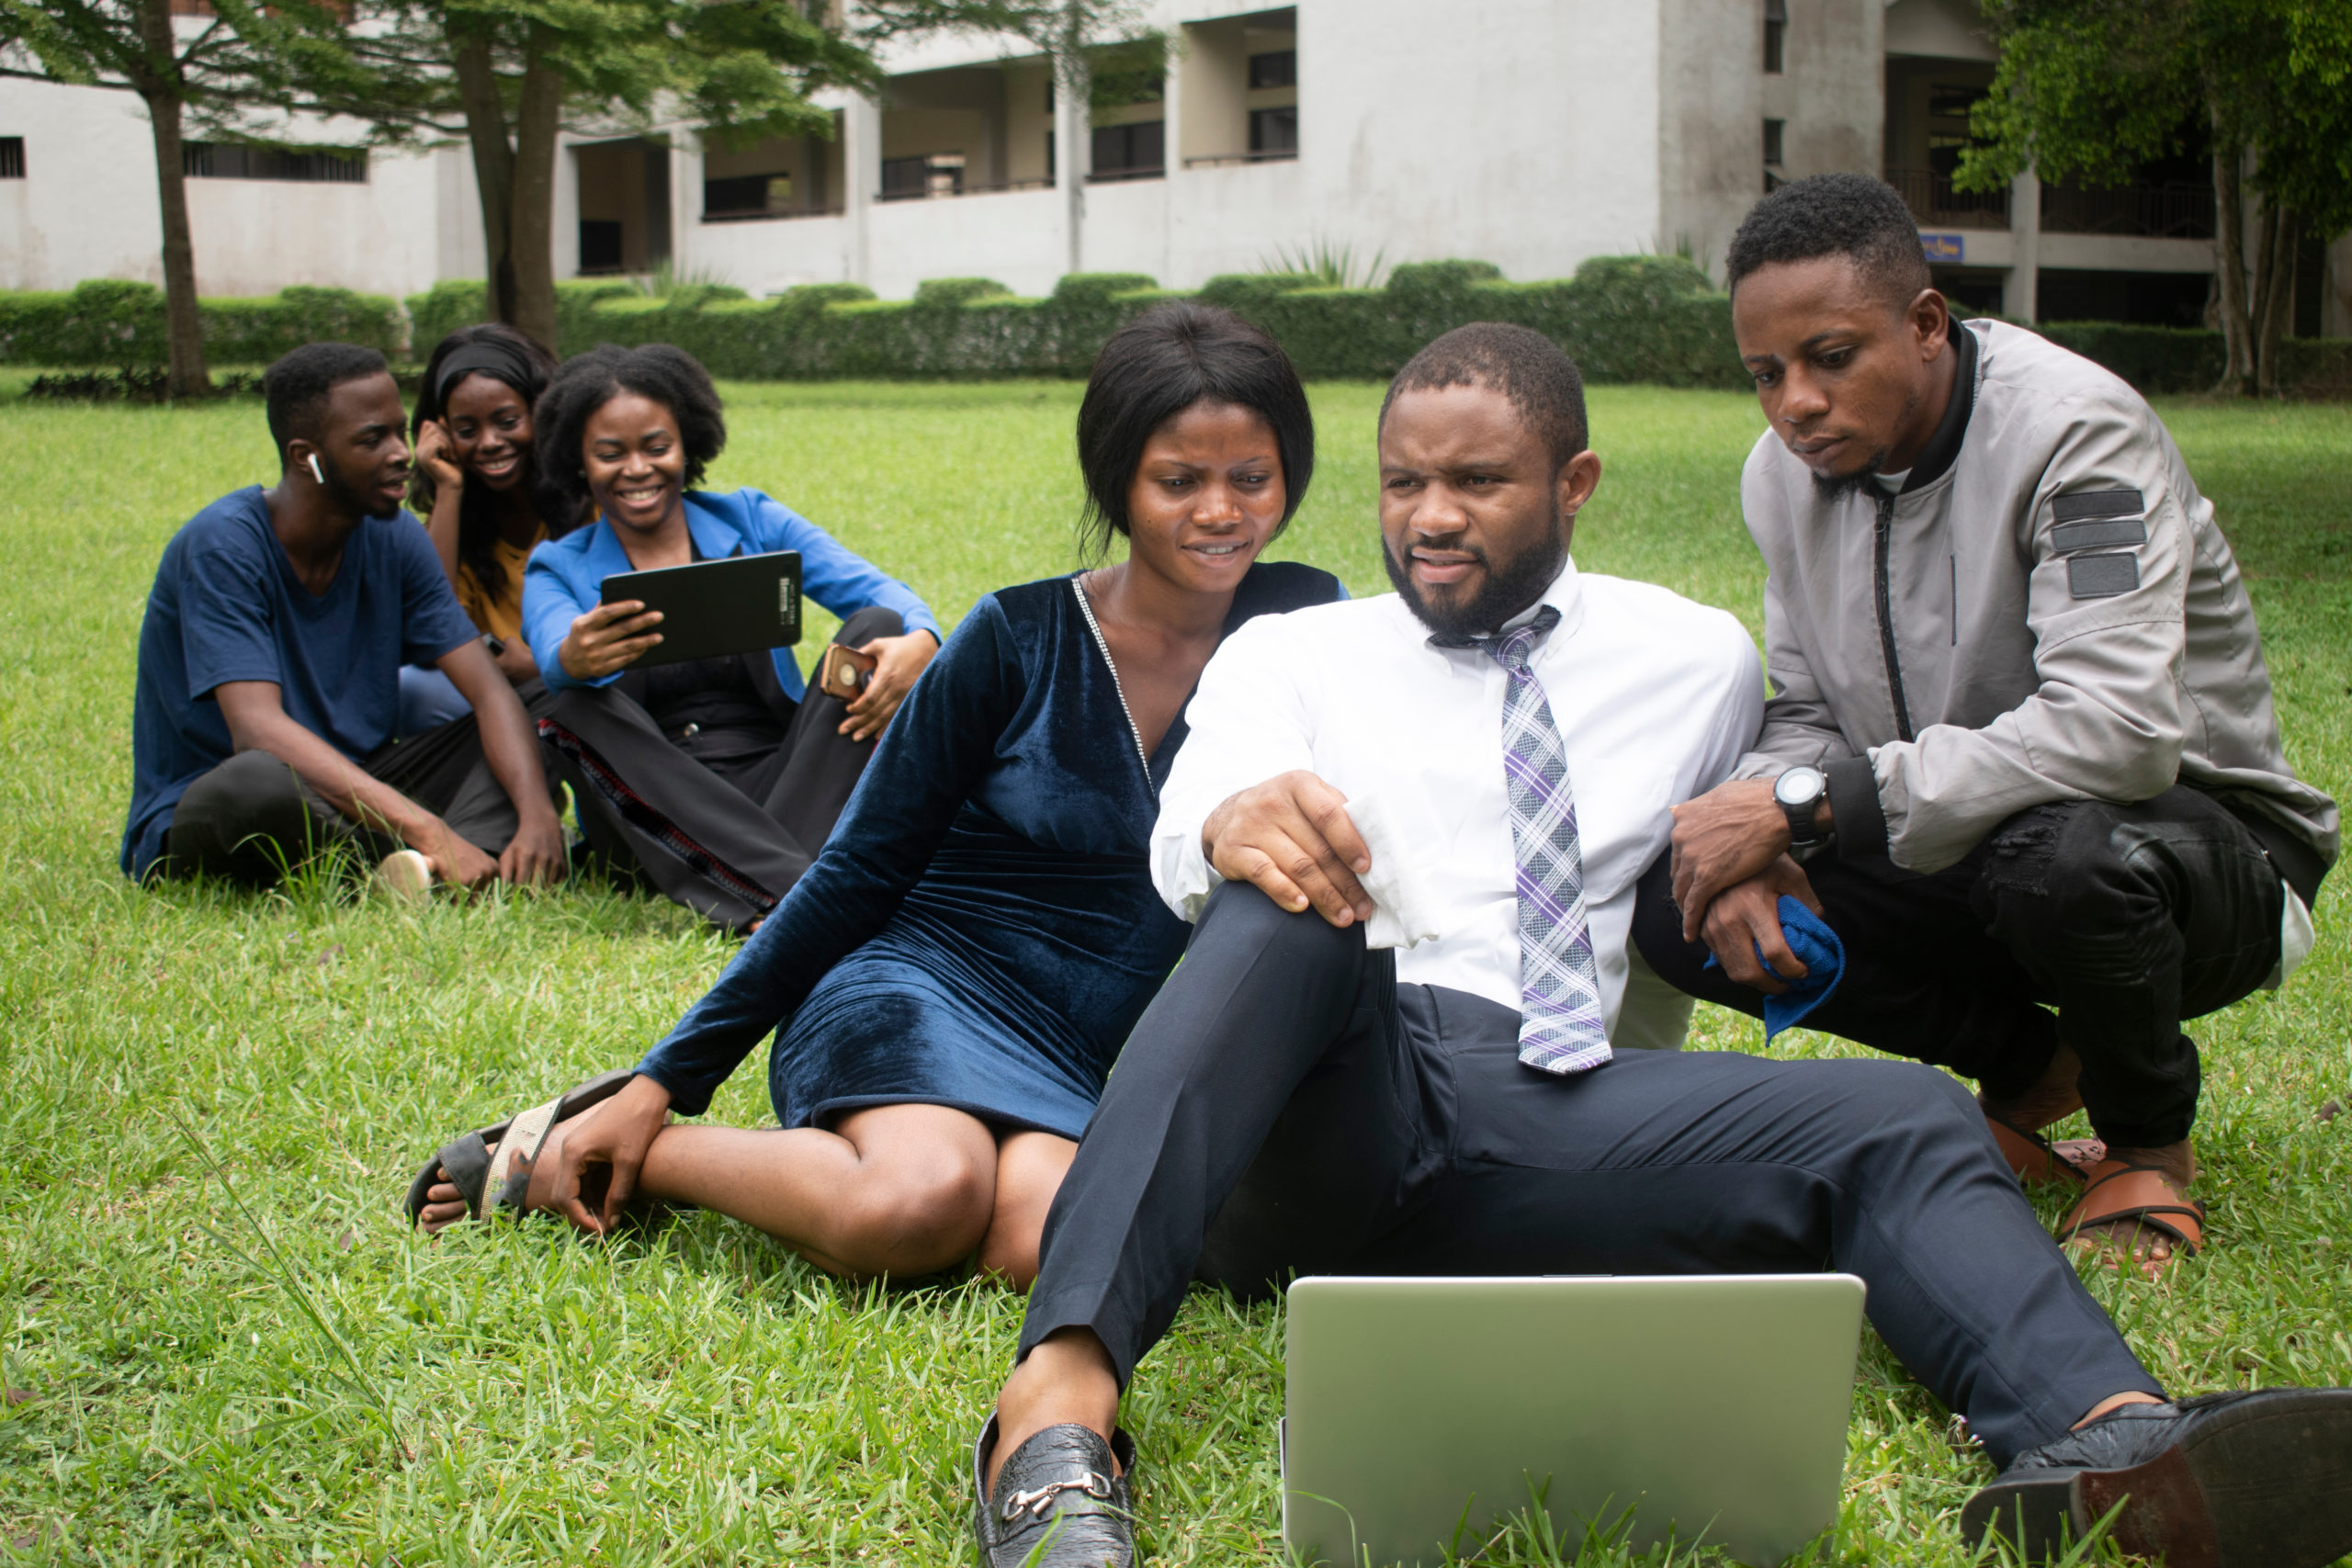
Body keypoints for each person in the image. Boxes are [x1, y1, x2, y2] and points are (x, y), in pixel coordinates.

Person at [966, 323, 2352, 1568]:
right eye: (1402, 484)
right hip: (1324, 1098)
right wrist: (1230, 823)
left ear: (1574, 486)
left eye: (1478, 484)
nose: (1431, 520)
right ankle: (1056, 1410)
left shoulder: (1696, 659)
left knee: (1903, 1114)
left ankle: (2109, 1439)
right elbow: (1193, 834)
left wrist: (1762, 861)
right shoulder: (1295, 654)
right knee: (1293, 896)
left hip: (1560, 1108)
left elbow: (1750, 818)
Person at [406, 304, 1345, 1290]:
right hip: (918, 984)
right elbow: (855, 871)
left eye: (1252, 478)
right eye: (1178, 481)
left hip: (1076, 1043)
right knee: (915, 1204)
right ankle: (612, 1142)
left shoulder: (1304, 622)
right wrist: (665, 1079)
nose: (1220, 513)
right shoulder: (1015, 638)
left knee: (1037, 1245)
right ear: (1117, 478)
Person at [1630, 173, 2336, 1279]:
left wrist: (1803, 806)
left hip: (2196, 853)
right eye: (1764, 374)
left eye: (1829, 357)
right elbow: (1810, 704)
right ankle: (2031, 1067)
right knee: (1677, 901)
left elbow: (2120, 730)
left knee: (2057, 855)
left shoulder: (2076, 432)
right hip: (1966, 838)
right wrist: (1749, 830)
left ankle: (2144, 1137)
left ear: (1924, 326)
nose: (1794, 403)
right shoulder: (1780, 475)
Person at [520, 344, 944, 930]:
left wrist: (923, 638)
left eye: (656, 447)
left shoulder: (750, 519)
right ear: (579, 461)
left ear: (688, 444)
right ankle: (805, 894)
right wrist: (574, 654)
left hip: (780, 783)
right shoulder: (557, 566)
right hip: (650, 816)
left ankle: (769, 887)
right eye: (610, 454)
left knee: (878, 628)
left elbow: (878, 592)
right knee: (571, 704)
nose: (637, 469)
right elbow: (549, 652)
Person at [121, 343, 566, 896]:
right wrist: (429, 828)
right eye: (372, 439)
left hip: (362, 784)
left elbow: (488, 691)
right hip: (238, 799)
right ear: (306, 456)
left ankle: (421, 872)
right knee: (252, 782)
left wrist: (538, 812)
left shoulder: (397, 536)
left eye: (400, 432)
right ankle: (427, 861)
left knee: (548, 701)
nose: (402, 454)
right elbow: (256, 730)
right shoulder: (222, 546)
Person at [394, 324, 566, 734]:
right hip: (499, 692)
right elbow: (425, 637)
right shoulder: (453, 522)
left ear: (539, 412)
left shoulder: (588, 500)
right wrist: (448, 489)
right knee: (415, 689)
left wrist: (549, 665)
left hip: (592, 682)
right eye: (467, 431)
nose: (489, 442)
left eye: (507, 421)